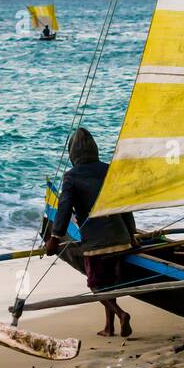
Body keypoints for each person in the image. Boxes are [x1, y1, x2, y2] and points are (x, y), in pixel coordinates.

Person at [43, 127, 137, 337]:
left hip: (97, 244)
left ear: (72, 153)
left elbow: (64, 209)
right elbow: (124, 207)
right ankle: (109, 327)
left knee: (96, 286)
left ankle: (121, 315)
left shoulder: (71, 177)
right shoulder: (108, 170)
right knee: (108, 285)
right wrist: (132, 236)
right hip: (121, 239)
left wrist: (54, 238)